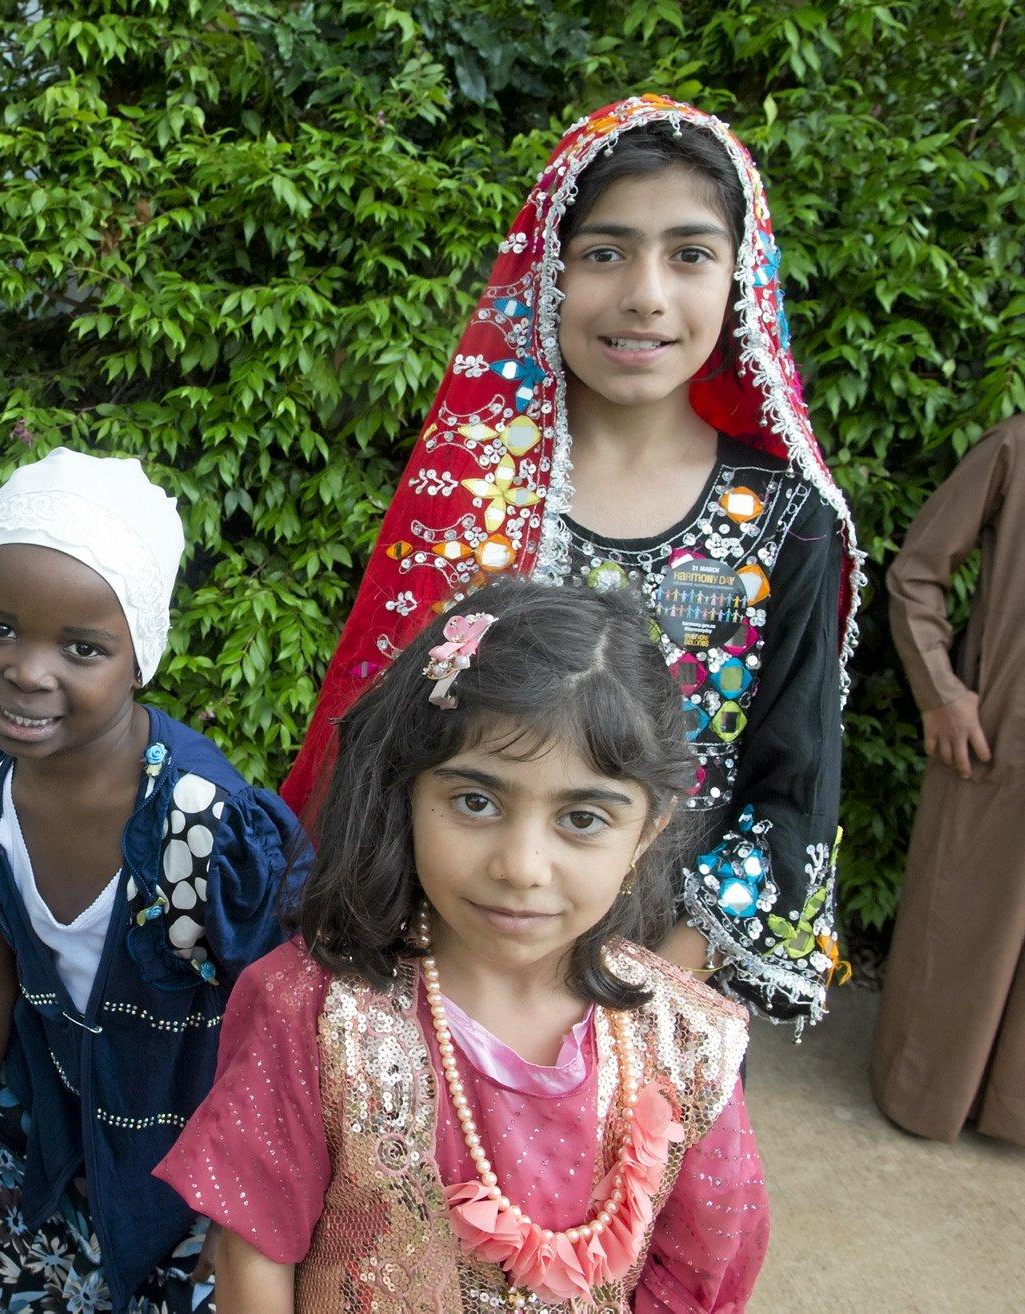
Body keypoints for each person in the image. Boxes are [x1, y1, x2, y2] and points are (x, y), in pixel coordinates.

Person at [279, 95, 861, 1030]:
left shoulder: (789, 518)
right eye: (605, 251)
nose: (645, 294)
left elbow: (790, 789)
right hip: (437, 968)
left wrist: (645, 999)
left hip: (656, 988)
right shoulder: (475, 490)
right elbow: (385, 745)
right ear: (549, 272)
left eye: (690, 253)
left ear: (743, 279)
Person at [159, 579, 768, 1311]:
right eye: (476, 802)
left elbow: (699, 1272)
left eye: (582, 818)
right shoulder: (310, 1016)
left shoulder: (692, 1047)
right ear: (406, 794)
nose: (520, 866)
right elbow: (256, 1255)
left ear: (647, 832)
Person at [0, 447, 310, 1312]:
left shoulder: (205, 827)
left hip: (195, 1154)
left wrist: (248, 1211)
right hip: (45, 1127)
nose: (30, 671)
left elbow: (280, 1028)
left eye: (82, 647)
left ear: (139, 655)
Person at [873, 415, 1025, 1145]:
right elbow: (918, 571)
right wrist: (940, 690)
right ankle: (928, 1094)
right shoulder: (1016, 445)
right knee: (966, 923)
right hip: (1000, 734)